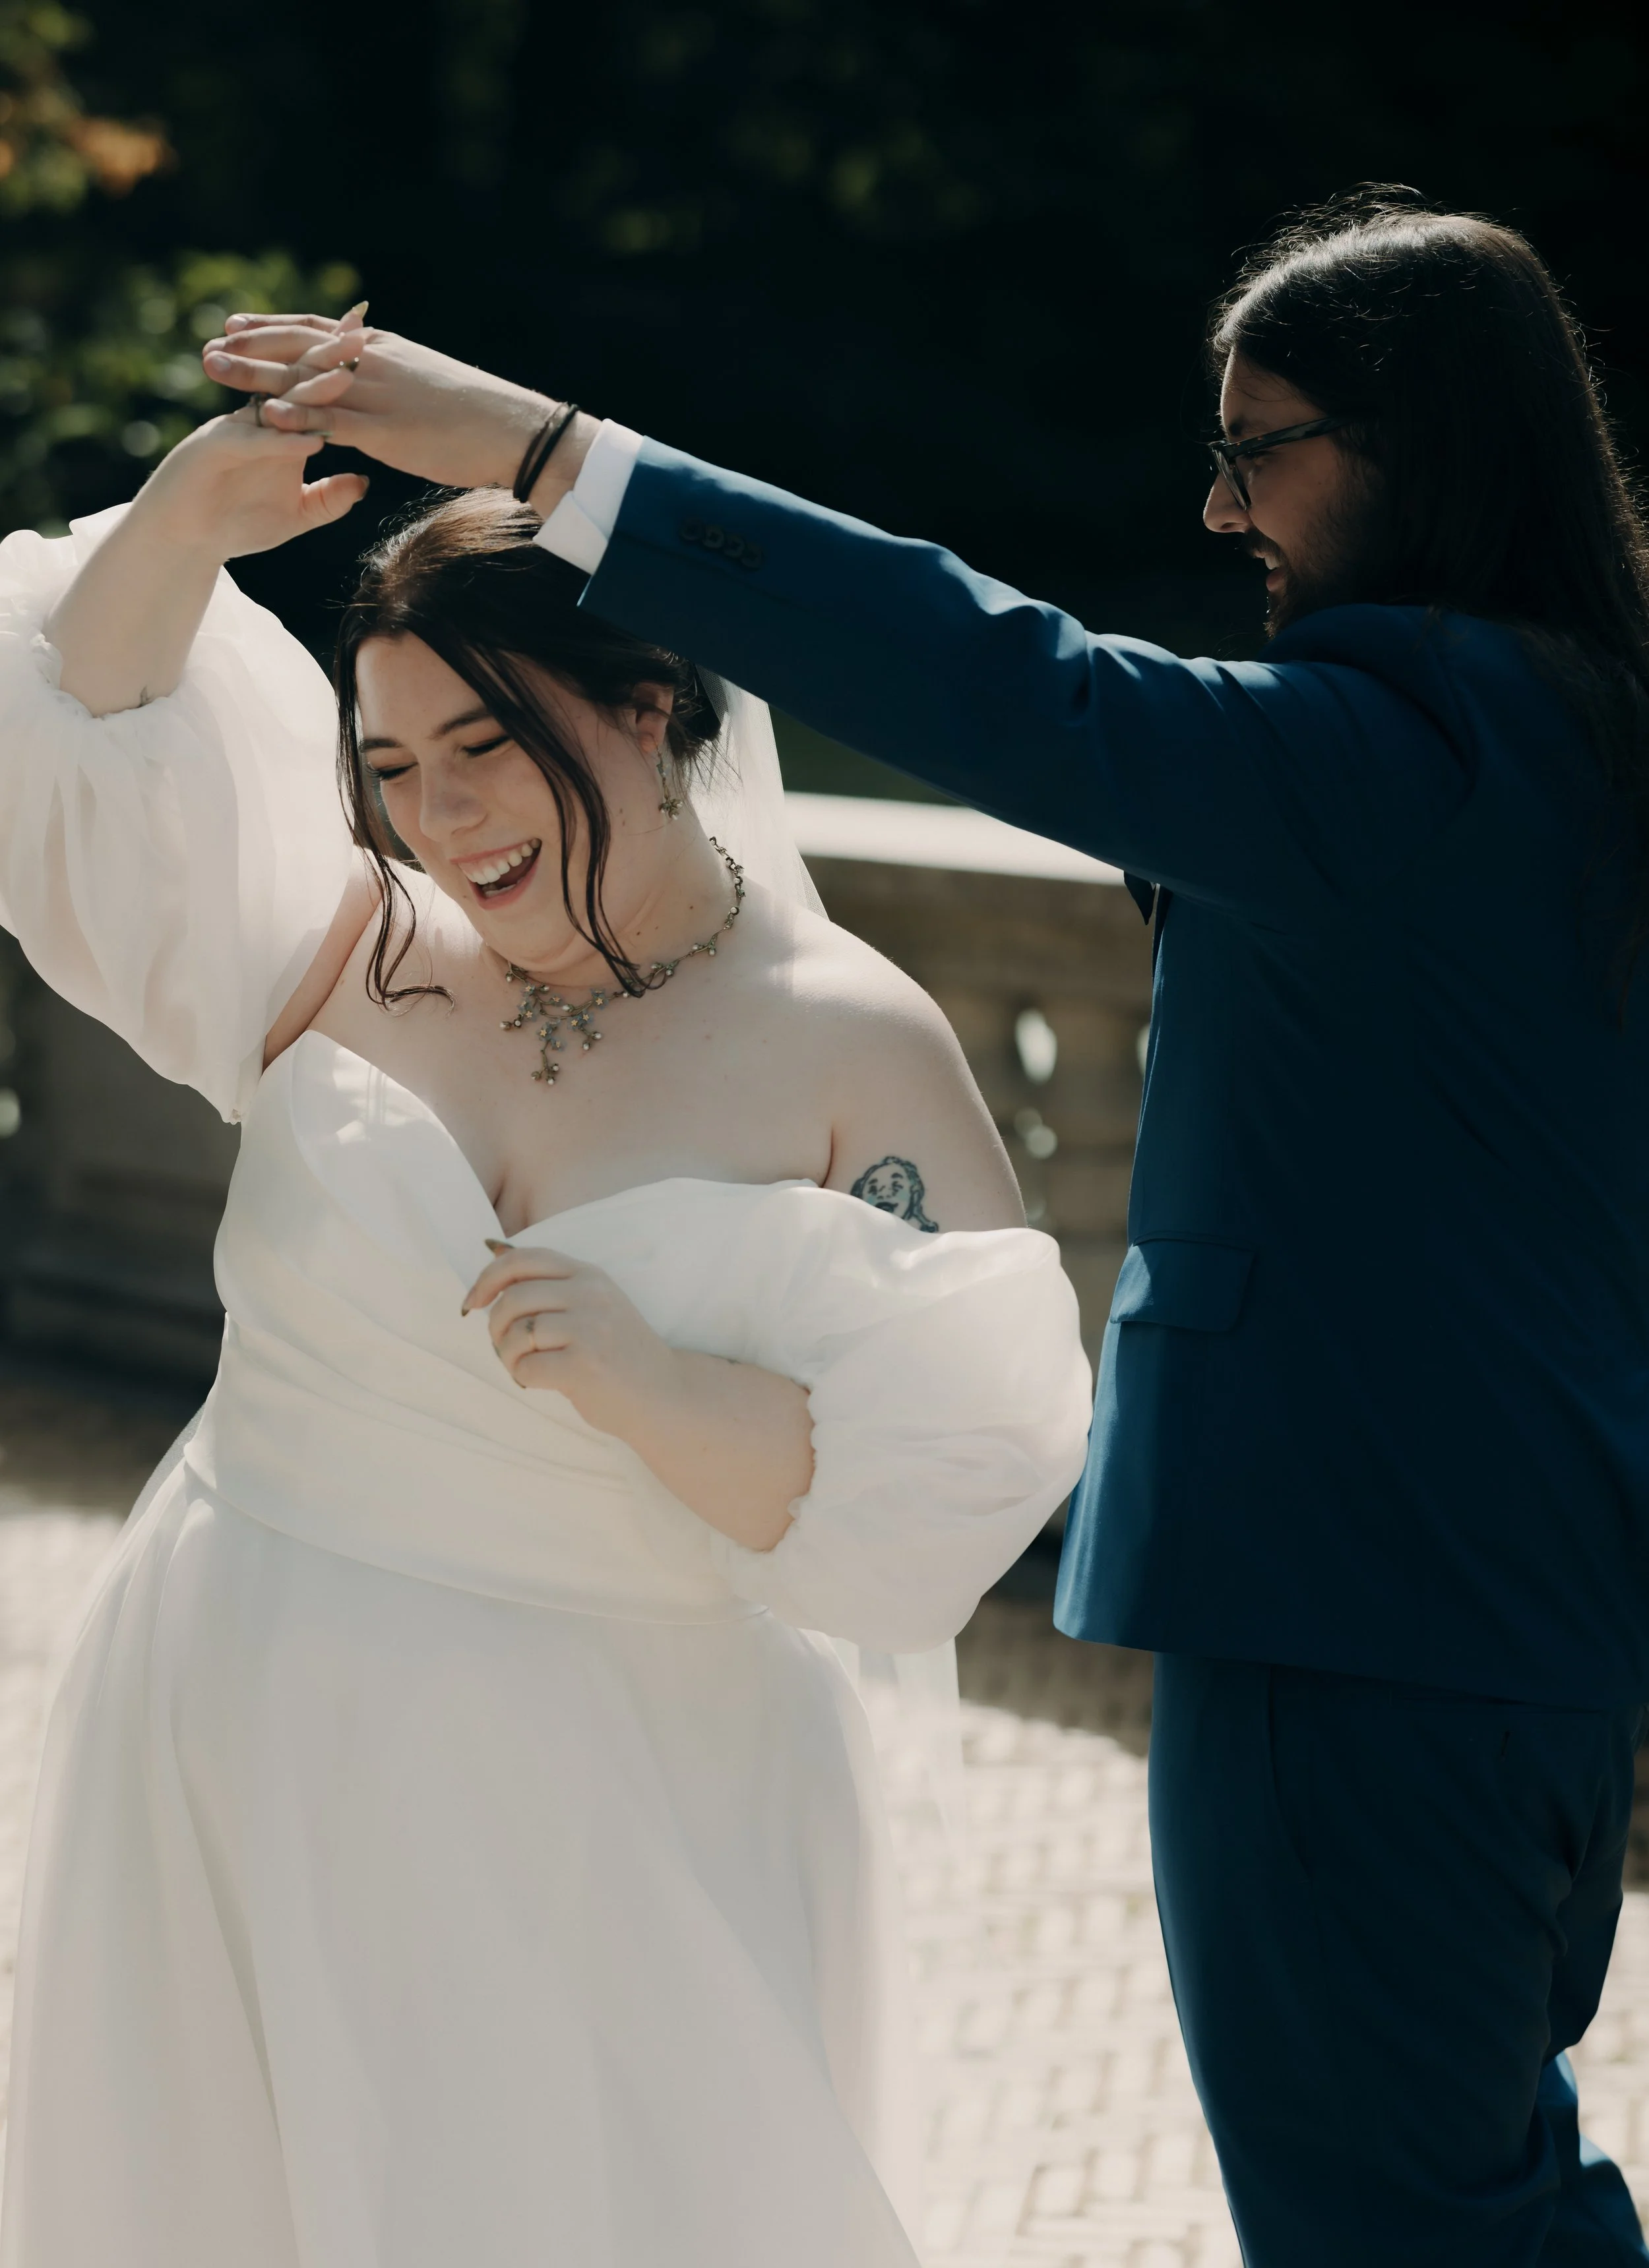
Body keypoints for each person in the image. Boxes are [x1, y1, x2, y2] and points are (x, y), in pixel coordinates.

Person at [206, 185, 1649, 2265]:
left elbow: (999, 676)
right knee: (1474, 2184)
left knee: (1399, 2219)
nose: (1229, 515)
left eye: (1257, 451)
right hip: (1527, 1613)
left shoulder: (1387, 756)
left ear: (1408, 451)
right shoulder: (1570, 736)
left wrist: (544, 452)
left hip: (1356, 1613)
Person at [0, 396, 1094, 2264]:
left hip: (606, 1796)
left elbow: (936, 1497)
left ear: (652, 708)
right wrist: (186, 516)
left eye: (487, 746)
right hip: (227, 1714)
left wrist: (658, 1388)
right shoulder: (354, 941)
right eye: (393, 763)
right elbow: (68, 729)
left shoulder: (851, 1042)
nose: (437, 814)